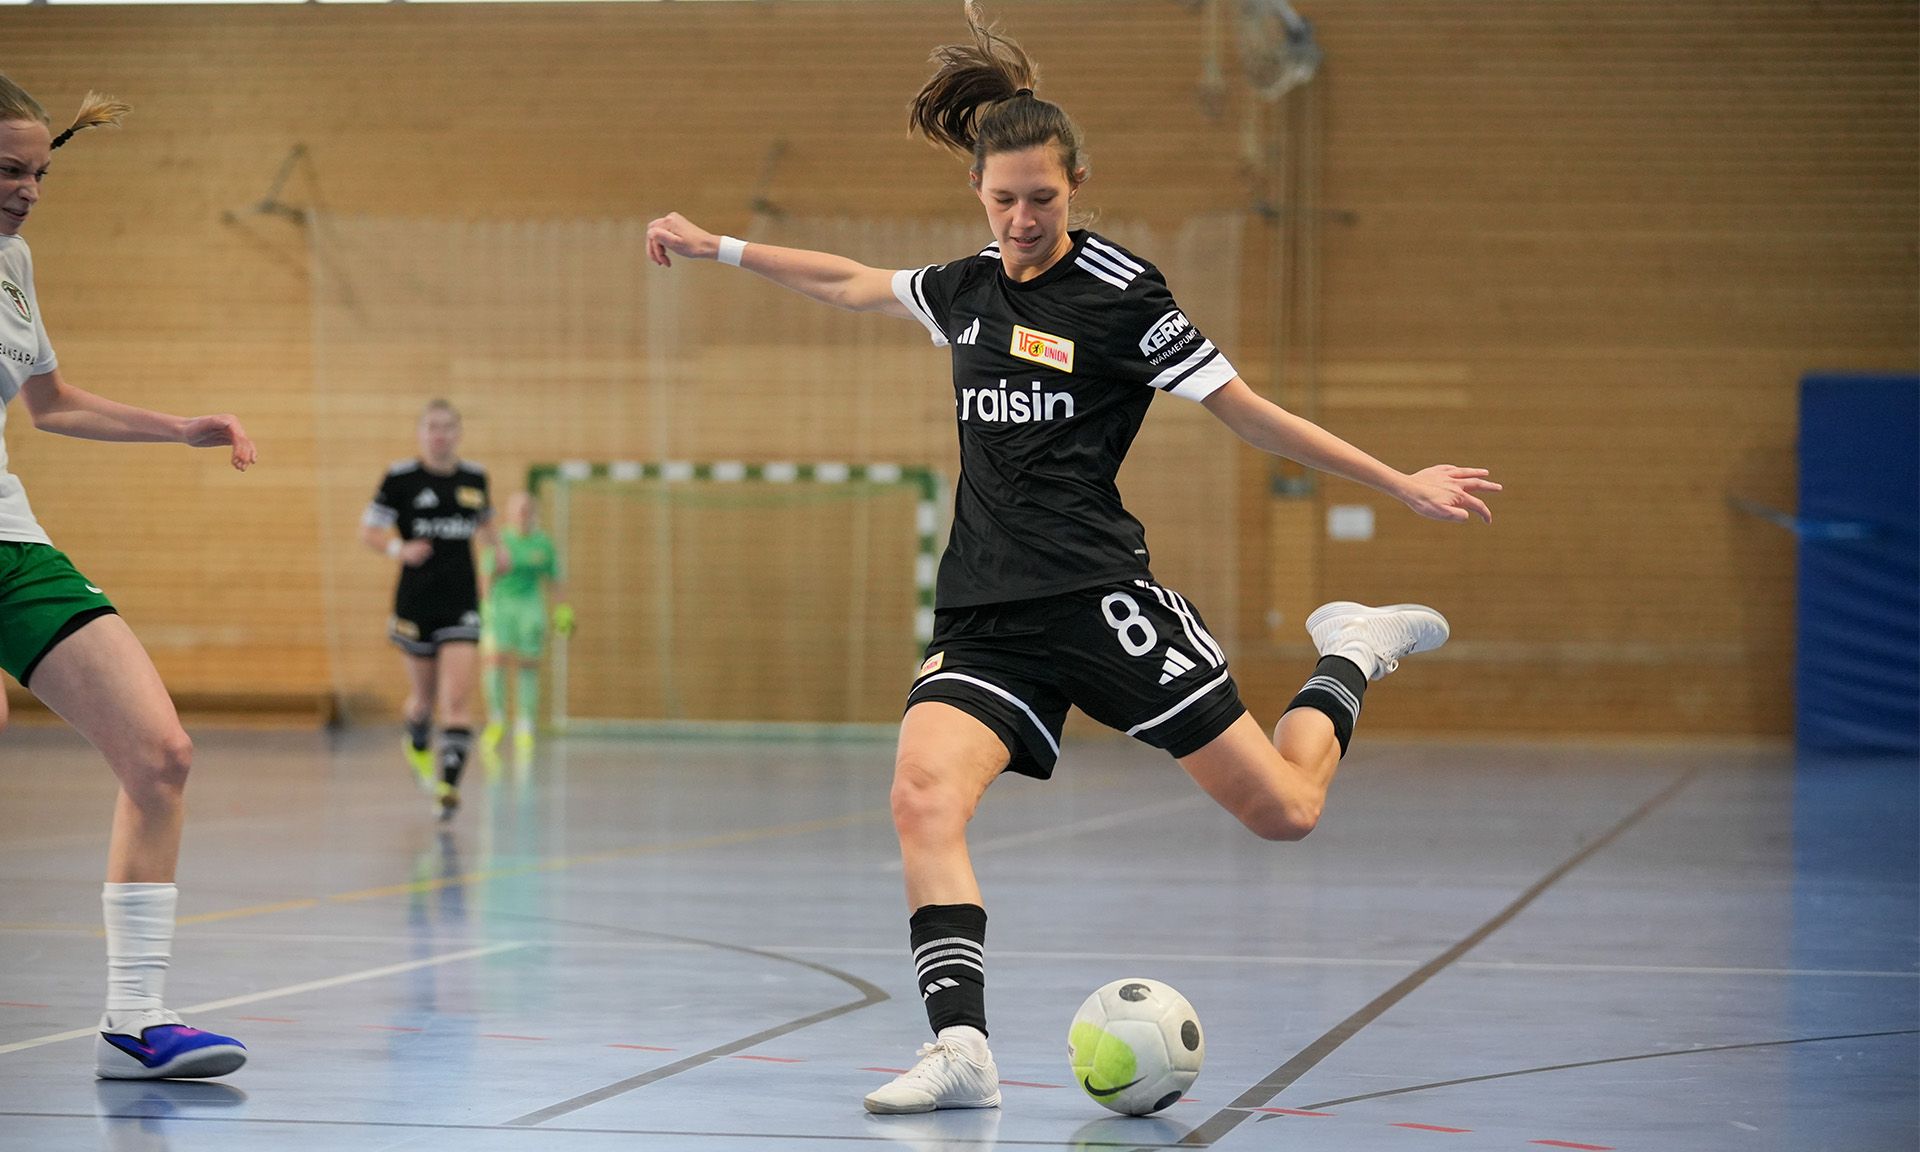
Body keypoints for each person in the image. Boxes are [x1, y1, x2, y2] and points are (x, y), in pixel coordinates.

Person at [646, 2, 1500, 1115]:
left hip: (1102, 600)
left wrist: (1396, 481)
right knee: (920, 799)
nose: (1022, 219)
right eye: (1003, 200)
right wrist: (720, 247)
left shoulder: (1124, 297)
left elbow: (1245, 411)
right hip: (987, 616)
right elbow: (850, 281)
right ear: (978, 192)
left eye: (1041, 198)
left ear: (1077, 181)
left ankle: (1351, 651)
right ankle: (962, 1050)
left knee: (1286, 812)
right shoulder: (964, 292)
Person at [0, 75, 254, 1080]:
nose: (28, 191)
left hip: (8, 540)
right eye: (8, 171)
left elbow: (49, 403)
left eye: (40, 172)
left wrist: (180, 426)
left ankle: (133, 1022)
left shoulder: (12, 263)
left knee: (160, 755)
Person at [359, 399, 501, 819]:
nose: (440, 434)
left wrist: (500, 550)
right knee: (423, 700)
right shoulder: (401, 479)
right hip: (416, 601)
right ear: (421, 433)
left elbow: (486, 523)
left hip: (461, 602)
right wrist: (400, 548)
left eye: (447, 427)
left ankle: (448, 787)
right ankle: (417, 740)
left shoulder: (474, 478)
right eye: (432, 427)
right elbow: (368, 532)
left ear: (458, 433)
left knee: (456, 698)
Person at [479, 491, 571, 757]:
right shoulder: (501, 541)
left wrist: (563, 608)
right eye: (518, 510)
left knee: (528, 664)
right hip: (501, 606)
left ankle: (524, 723)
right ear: (510, 514)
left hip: (530, 606)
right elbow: (487, 574)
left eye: (527, 510)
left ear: (534, 513)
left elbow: (555, 578)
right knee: (494, 661)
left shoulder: (543, 544)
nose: (522, 515)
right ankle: (496, 719)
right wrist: (484, 605)